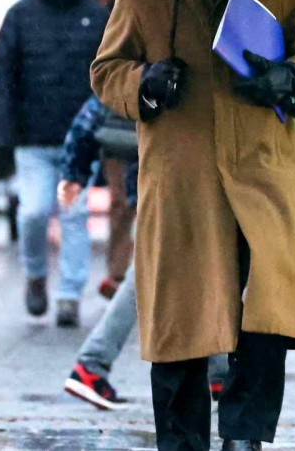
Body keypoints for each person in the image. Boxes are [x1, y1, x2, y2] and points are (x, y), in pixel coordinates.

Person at [92, 0, 295, 451]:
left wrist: (290, 78)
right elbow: (106, 70)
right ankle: (182, 442)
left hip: (262, 176)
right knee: (181, 321)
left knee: (269, 313)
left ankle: (245, 435)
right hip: (182, 181)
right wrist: (146, 83)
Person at [59, 96, 229, 411]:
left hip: (160, 178)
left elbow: (94, 111)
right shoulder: (160, 57)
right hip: (172, 181)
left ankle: (219, 374)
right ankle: (92, 364)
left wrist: (75, 171)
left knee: (194, 268)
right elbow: (100, 102)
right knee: (152, 272)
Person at [0, 0, 109, 327]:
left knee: (74, 218)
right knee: (34, 213)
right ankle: (36, 274)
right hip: (33, 138)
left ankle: (70, 295)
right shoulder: (21, 16)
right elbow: (1, 76)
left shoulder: (96, 17)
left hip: (80, 141)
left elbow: (109, 75)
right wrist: (3, 132)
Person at [58, 96, 135, 299]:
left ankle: (126, 274)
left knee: (133, 207)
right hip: (121, 139)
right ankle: (118, 275)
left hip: (139, 134)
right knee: (124, 205)